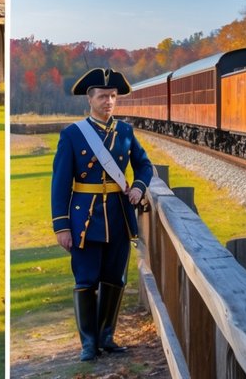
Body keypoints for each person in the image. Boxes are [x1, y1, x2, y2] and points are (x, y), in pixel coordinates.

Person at [52, 68, 154, 362]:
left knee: (114, 278)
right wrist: (61, 226)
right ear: (90, 99)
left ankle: (106, 337)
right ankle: (88, 343)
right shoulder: (73, 134)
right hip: (84, 218)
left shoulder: (125, 132)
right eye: (102, 96)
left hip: (118, 216)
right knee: (86, 279)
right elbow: (59, 184)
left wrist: (137, 187)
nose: (108, 101)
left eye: (112, 96)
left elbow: (145, 166)